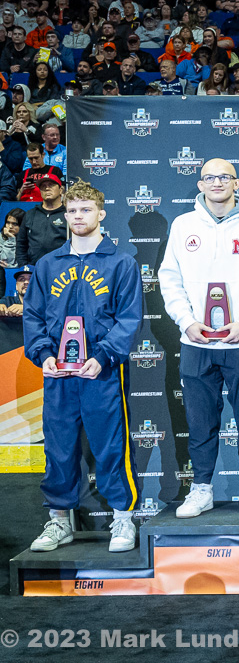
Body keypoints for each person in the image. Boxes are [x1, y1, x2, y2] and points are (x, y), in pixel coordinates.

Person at [22, 182, 143, 553]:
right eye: (72, 211)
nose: (78, 217)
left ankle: (123, 517)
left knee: (110, 445)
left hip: (101, 372)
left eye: (85, 210)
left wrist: (103, 356)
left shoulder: (120, 262)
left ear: (101, 214)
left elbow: (129, 318)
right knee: (58, 447)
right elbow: (33, 316)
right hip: (58, 375)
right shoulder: (47, 264)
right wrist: (42, 354)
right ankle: (59, 521)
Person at [158, 158, 239, 519]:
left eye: (223, 177)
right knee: (199, 423)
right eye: (209, 177)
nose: (216, 183)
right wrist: (186, 320)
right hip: (196, 343)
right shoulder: (183, 225)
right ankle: (201, 489)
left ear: (236, 182)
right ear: (199, 184)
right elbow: (169, 279)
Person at [15, 174, 66, 265]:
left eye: (51, 185)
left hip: (61, 268)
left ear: (61, 190)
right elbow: (21, 244)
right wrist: (24, 267)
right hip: (34, 268)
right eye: (43, 186)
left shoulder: (69, 214)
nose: (47, 188)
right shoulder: (30, 214)